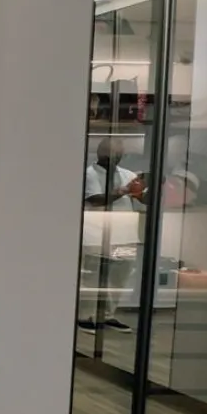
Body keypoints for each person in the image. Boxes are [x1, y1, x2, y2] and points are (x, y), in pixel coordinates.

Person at [79, 136, 146, 334]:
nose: (114, 157)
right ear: (100, 153)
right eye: (110, 153)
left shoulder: (128, 174)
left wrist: (143, 189)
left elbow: (142, 199)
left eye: (118, 153)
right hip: (95, 235)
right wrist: (124, 190)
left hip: (124, 235)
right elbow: (95, 200)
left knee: (119, 278)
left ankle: (107, 315)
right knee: (92, 278)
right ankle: (85, 316)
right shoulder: (89, 174)